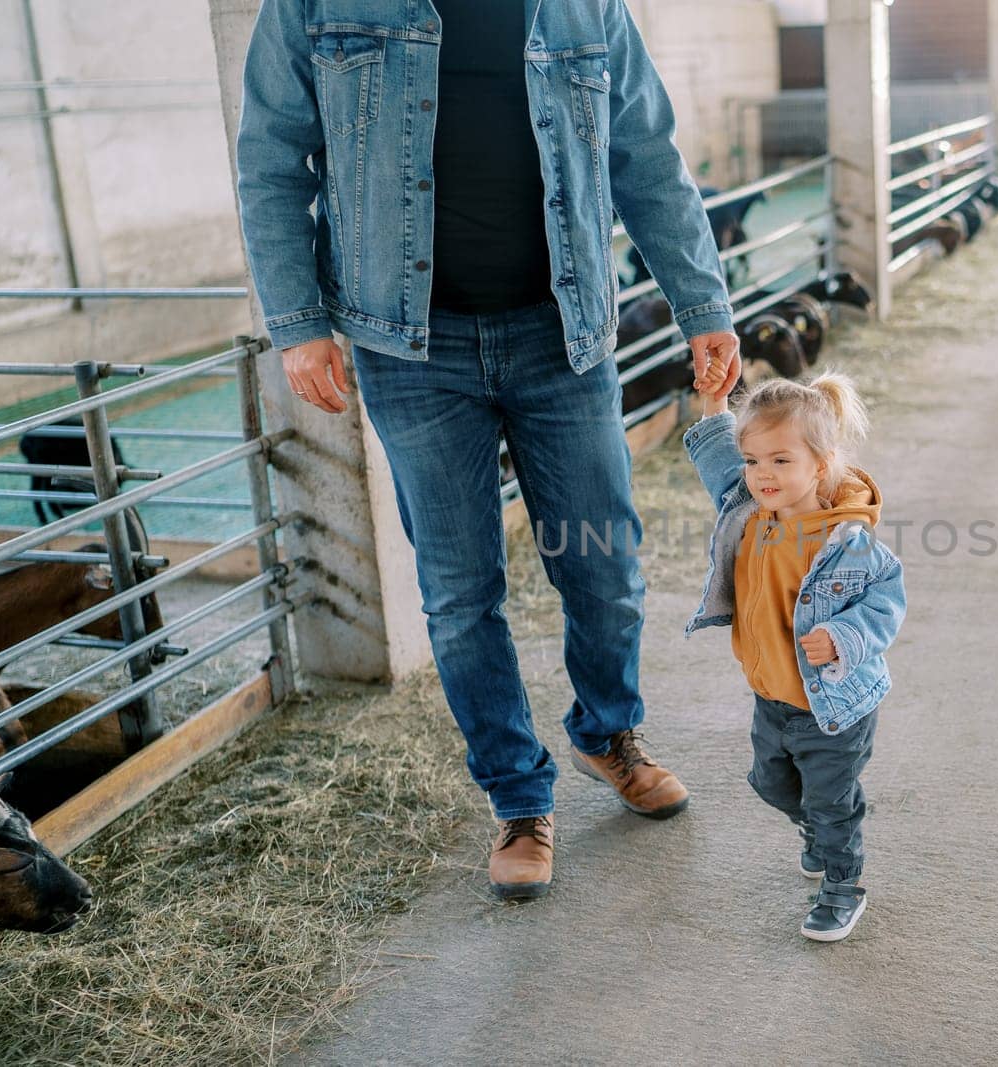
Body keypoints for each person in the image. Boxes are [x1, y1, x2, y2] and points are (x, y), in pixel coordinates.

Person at [234, 0, 743, 901]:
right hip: (410, 349)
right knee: (462, 592)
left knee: (606, 564)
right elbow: (274, 159)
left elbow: (646, 155)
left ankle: (606, 731)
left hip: (565, 335)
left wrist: (702, 304)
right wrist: (299, 320)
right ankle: (517, 796)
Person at [681, 364, 907, 941]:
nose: (762, 475)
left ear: (821, 466)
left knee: (831, 803)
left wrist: (844, 637)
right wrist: (713, 404)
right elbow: (717, 464)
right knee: (773, 785)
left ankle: (842, 883)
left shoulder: (844, 540)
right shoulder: (750, 514)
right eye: (755, 462)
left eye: (781, 461)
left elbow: (886, 602)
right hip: (772, 699)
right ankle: (822, 826)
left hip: (832, 706)